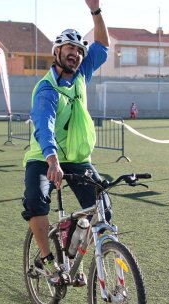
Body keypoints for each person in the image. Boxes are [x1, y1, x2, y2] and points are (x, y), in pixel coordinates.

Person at [22, 0, 109, 287]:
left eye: (78, 51)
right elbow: (44, 126)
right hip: (44, 156)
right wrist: (52, 160)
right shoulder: (47, 88)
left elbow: (103, 46)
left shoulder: (82, 74)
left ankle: (74, 257)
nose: (75, 54)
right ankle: (49, 262)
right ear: (57, 52)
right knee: (37, 201)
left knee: (101, 207)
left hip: (77, 158)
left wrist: (95, 11)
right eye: (69, 49)